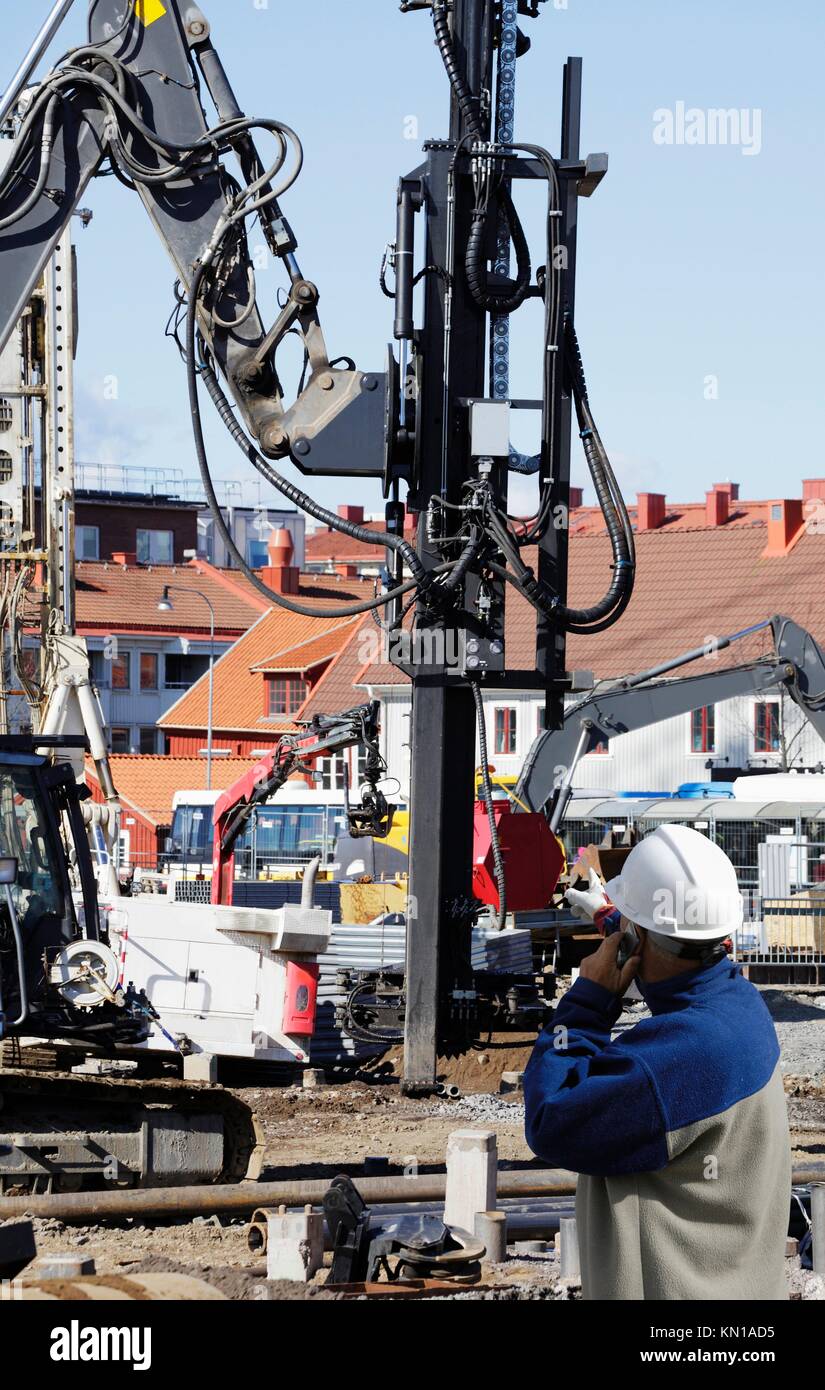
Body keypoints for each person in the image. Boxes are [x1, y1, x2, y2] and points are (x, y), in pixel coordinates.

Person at [524, 824, 791, 1300]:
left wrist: (587, 1003)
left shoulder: (669, 1060)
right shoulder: (740, 1007)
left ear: (638, 942)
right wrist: (626, 927)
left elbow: (551, 1120)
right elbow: (675, 950)